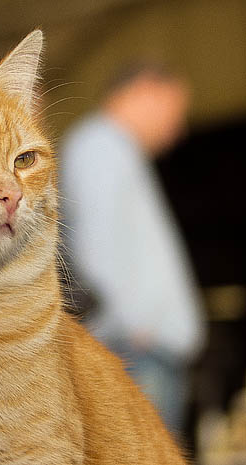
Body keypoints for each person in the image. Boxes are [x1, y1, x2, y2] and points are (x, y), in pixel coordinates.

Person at [59, 64, 205, 435]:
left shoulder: (112, 149)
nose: (179, 129)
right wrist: (129, 326)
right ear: (145, 90)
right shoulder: (100, 145)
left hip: (143, 350)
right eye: (176, 109)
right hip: (138, 352)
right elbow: (97, 241)